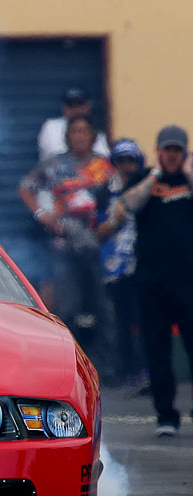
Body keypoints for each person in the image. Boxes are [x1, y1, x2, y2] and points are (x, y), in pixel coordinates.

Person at [18, 115, 116, 376]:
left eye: (84, 131)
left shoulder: (105, 167)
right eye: (75, 131)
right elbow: (25, 187)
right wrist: (42, 214)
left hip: (100, 249)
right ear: (67, 136)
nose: (79, 136)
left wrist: (112, 223)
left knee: (105, 309)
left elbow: (120, 197)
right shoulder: (54, 164)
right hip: (65, 248)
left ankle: (109, 370)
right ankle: (70, 369)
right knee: (68, 309)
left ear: (92, 136)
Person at [120, 125, 193, 436]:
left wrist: (188, 174)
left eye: (177, 150)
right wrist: (154, 177)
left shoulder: (189, 181)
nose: (172, 155)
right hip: (151, 282)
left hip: (188, 280)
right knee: (157, 350)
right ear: (159, 151)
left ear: (184, 153)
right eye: (168, 150)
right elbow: (129, 204)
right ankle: (166, 416)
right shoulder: (143, 179)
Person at [95, 139, 148, 393]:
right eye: (122, 161)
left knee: (144, 319)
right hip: (115, 267)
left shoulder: (147, 188)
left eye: (131, 161)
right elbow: (98, 230)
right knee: (121, 321)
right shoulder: (105, 191)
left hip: (143, 264)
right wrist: (116, 219)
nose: (127, 166)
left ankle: (146, 370)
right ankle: (126, 371)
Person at [38, 87, 111, 161]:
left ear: (88, 107)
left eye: (79, 105)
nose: (75, 109)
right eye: (71, 105)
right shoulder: (51, 127)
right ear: (64, 108)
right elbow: (53, 153)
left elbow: (103, 157)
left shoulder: (96, 131)